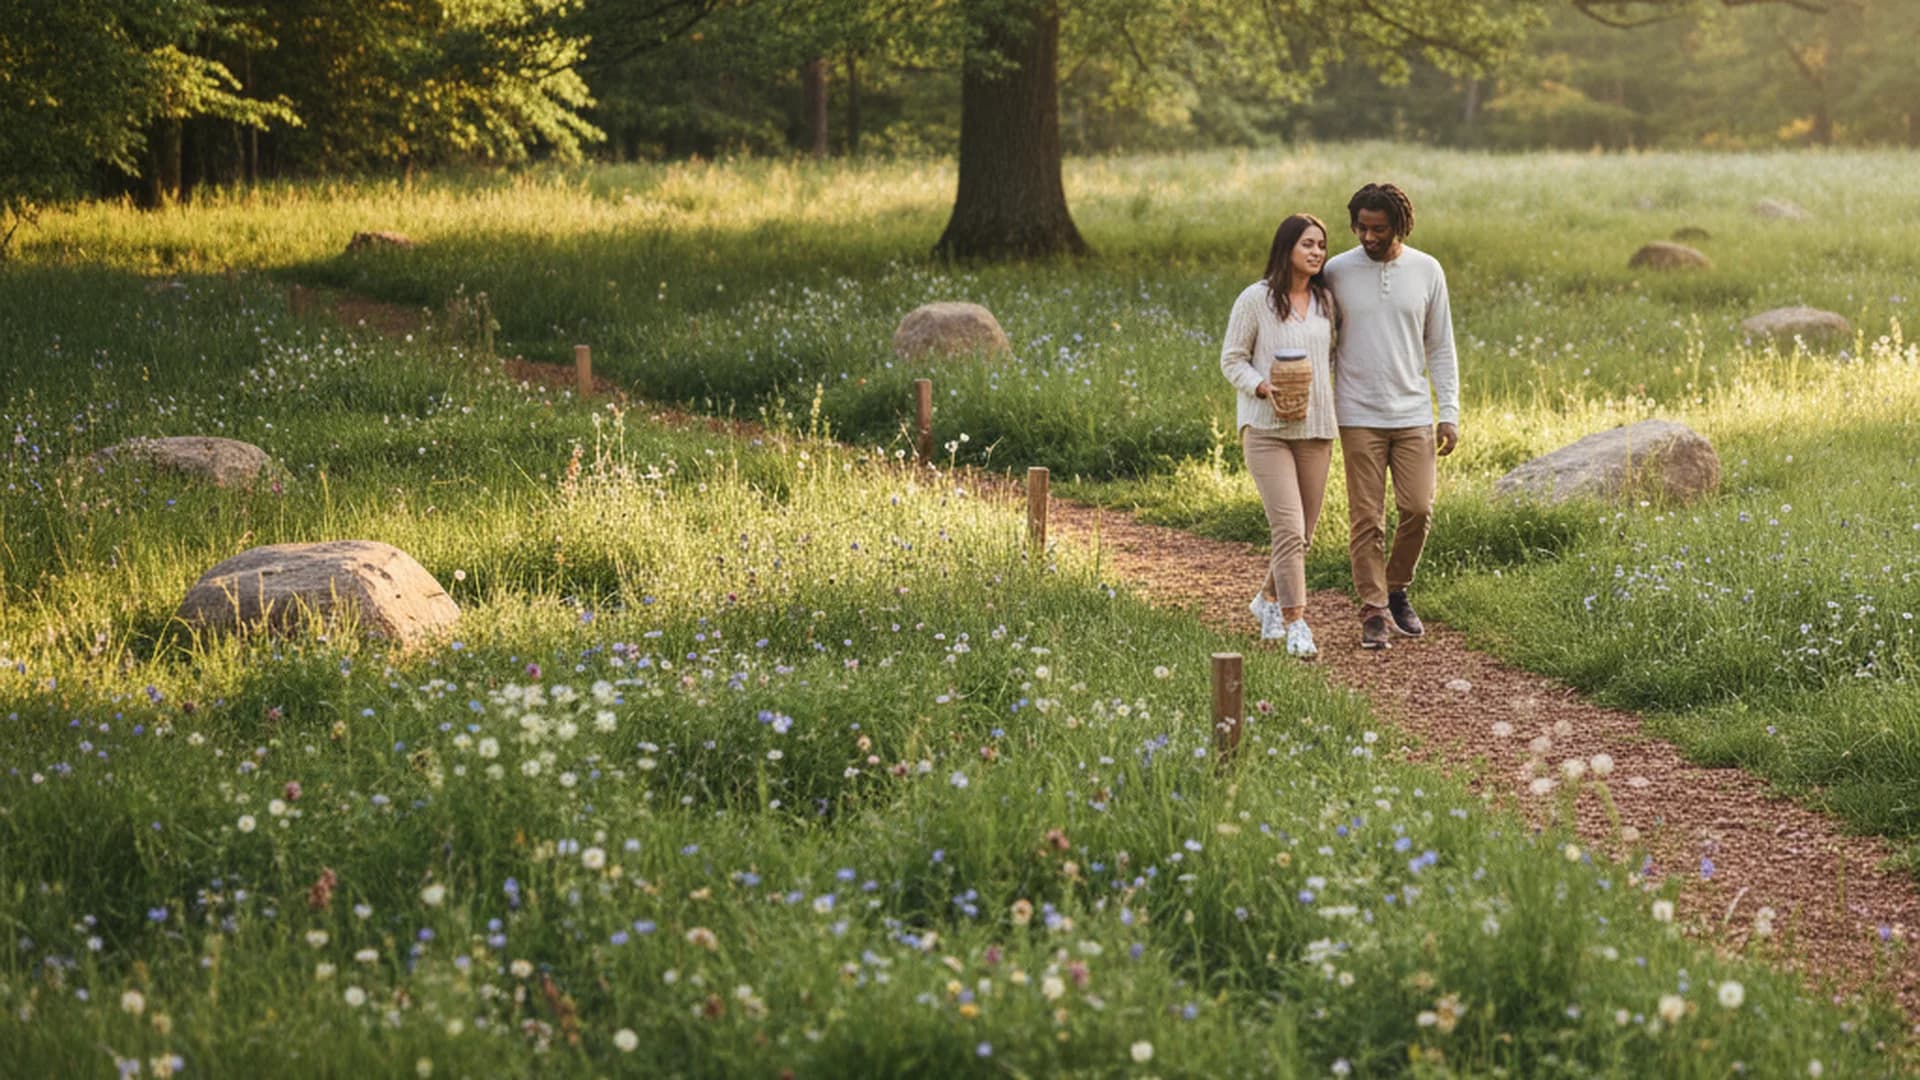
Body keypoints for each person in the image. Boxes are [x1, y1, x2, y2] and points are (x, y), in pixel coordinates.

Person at [1324, 182, 1459, 651]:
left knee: (1418, 509)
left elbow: (1440, 345)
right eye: (1361, 227)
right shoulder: (1336, 271)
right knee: (1367, 519)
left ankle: (1397, 586)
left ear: (1399, 225)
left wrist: (1450, 412)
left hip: (1413, 412)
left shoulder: (1427, 270)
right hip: (1357, 412)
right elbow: (1324, 342)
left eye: (1377, 228)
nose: (1367, 236)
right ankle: (1374, 609)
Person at [1219, 212, 1339, 658]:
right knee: (1287, 528)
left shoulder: (1327, 301)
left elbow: (1335, 360)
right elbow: (1231, 359)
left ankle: (1265, 599)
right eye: (1307, 243)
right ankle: (1296, 622)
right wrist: (1261, 386)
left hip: (1316, 429)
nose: (1316, 252)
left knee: (1302, 534)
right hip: (1267, 429)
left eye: (1321, 246)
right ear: (1286, 247)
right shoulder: (1255, 300)